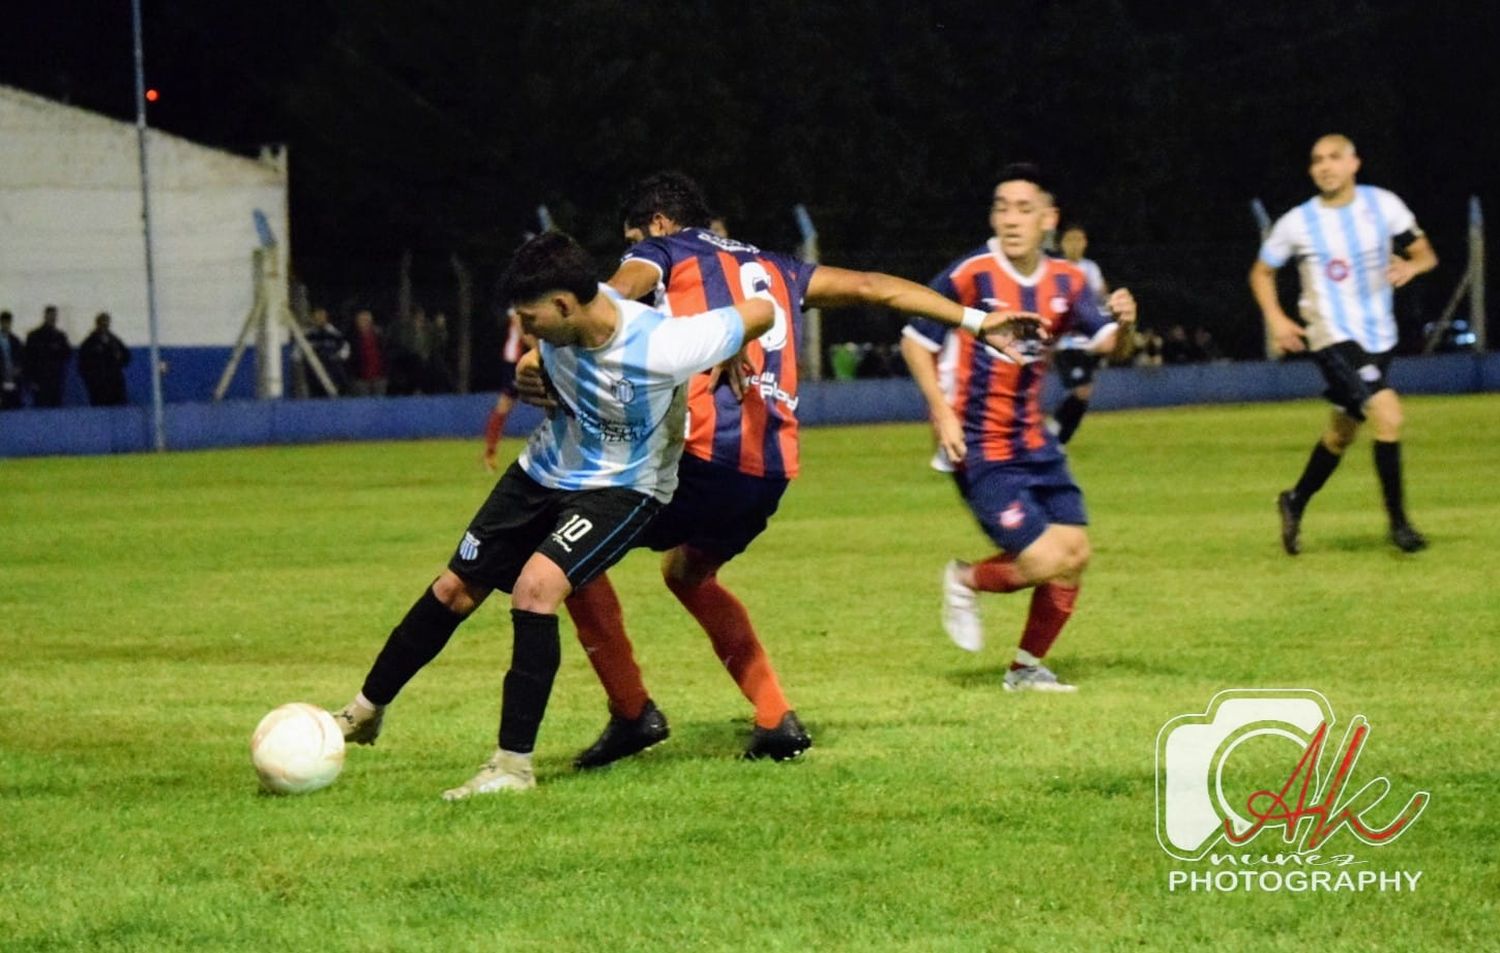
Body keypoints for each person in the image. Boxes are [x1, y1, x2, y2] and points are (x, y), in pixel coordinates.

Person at [519, 171, 1030, 766]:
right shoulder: (780, 267)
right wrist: (975, 321)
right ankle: (775, 719)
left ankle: (632, 713)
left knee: (562, 551)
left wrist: (544, 347)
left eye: (633, 238)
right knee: (687, 574)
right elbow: (871, 287)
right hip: (768, 472)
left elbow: (610, 300)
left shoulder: (659, 251)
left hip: (699, 454)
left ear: (655, 224)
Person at [328, 231, 774, 799]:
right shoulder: (561, 327)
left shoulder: (664, 345)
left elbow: (760, 310)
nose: (524, 331)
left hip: (623, 488)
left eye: (529, 318)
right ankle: (364, 711)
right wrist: (530, 366)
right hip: (541, 470)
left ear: (565, 305)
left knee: (536, 589)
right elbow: (538, 356)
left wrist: (730, 347)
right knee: (452, 590)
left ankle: (513, 766)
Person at [901, 163, 1137, 692]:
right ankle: (965, 579)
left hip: (1034, 441)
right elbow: (915, 340)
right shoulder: (971, 274)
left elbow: (1111, 348)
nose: (1011, 219)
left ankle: (1026, 669)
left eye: (1023, 209)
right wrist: (939, 410)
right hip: (978, 444)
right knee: (1045, 557)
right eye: (1002, 207)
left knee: (1074, 555)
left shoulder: (1069, 283)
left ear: (1047, 219)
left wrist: (1127, 323)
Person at [1249, 134, 1438, 555]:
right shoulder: (1298, 222)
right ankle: (1400, 525)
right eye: (1317, 160)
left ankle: (1294, 500)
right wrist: (1279, 319)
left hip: (1379, 337)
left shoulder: (1383, 205)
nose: (1325, 166)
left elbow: (1426, 253)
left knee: (1340, 432)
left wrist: (1412, 265)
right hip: (1330, 335)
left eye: (1334, 158)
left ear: (1355, 163)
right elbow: (1261, 273)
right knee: (1387, 415)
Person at [1048, 224, 1111, 443]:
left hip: (1088, 343)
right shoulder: (1055, 269)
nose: (1075, 244)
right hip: (1066, 342)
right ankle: (1056, 436)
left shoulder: (1091, 268)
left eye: (1079, 239)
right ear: (1062, 244)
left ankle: (1056, 435)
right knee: (1082, 390)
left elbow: (1102, 298)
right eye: (1070, 239)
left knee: (1084, 391)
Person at [481, 308, 526, 471]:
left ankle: (490, 453)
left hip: (519, 358)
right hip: (517, 359)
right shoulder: (522, 303)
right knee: (505, 404)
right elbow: (523, 331)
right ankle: (489, 453)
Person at [78, 312, 131, 406]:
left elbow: (126, 357)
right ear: (97, 324)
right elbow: (83, 364)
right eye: (102, 323)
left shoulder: (114, 341)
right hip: (98, 385)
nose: (105, 326)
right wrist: (91, 379)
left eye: (106, 323)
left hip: (115, 383)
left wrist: (120, 358)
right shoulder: (90, 343)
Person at [24, 305, 71, 408]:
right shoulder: (34, 336)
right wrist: (31, 380)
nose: (52, 318)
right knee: (41, 410)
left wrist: (58, 349)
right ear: (45, 316)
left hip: (56, 380)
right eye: (50, 315)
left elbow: (67, 354)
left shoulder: (60, 336)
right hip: (40, 381)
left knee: (56, 410)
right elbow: (28, 359)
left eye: (54, 316)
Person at [304, 307, 351, 397]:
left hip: (332, 373)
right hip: (314, 374)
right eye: (317, 317)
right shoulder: (308, 334)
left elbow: (345, 349)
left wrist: (337, 358)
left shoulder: (335, 333)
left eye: (322, 316)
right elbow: (299, 353)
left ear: (326, 318)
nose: (319, 319)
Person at [348, 309, 387, 396]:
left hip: (379, 376)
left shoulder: (380, 335)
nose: (364, 322)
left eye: (367, 320)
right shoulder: (351, 337)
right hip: (360, 377)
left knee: (379, 404)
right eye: (361, 320)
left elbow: (386, 352)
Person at [0, 311, 24, 410]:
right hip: (1, 379)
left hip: (14, 379)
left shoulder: (15, 340)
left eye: (8, 322)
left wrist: (19, 368)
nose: (6, 325)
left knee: (14, 405)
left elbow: (21, 358)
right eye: (4, 322)